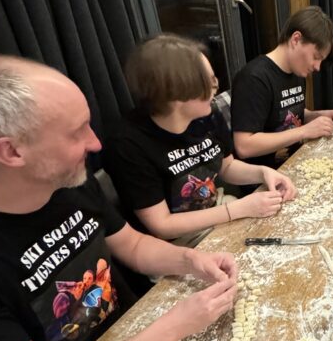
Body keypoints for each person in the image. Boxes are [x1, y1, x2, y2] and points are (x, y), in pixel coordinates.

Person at [0, 56, 238, 341]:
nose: (95, 142)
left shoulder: (66, 182)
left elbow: (133, 244)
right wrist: (175, 326)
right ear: (12, 152)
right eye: (76, 132)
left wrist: (189, 260)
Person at [103, 35, 296, 242]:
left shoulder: (207, 115)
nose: (216, 87)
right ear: (176, 94)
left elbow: (227, 167)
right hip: (176, 244)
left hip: (218, 210)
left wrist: (263, 173)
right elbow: (162, 226)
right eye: (208, 83)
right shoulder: (128, 144)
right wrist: (237, 209)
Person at [231, 7, 333, 169]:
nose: (317, 67)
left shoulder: (297, 72)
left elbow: (291, 113)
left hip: (295, 161)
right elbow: (244, 146)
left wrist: (320, 115)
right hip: (263, 179)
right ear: (296, 39)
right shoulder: (254, 78)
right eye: (316, 57)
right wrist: (304, 131)